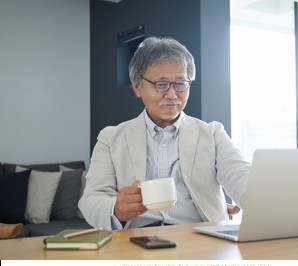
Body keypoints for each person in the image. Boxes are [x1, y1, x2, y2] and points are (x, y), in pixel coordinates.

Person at [79, 37, 250, 230]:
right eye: (161, 85)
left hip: (198, 237)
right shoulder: (110, 138)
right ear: (137, 87)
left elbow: (241, 176)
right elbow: (91, 200)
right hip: (136, 240)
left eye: (180, 84)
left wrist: (262, 202)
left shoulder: (212, 134)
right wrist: (116, 208)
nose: (171, 95)